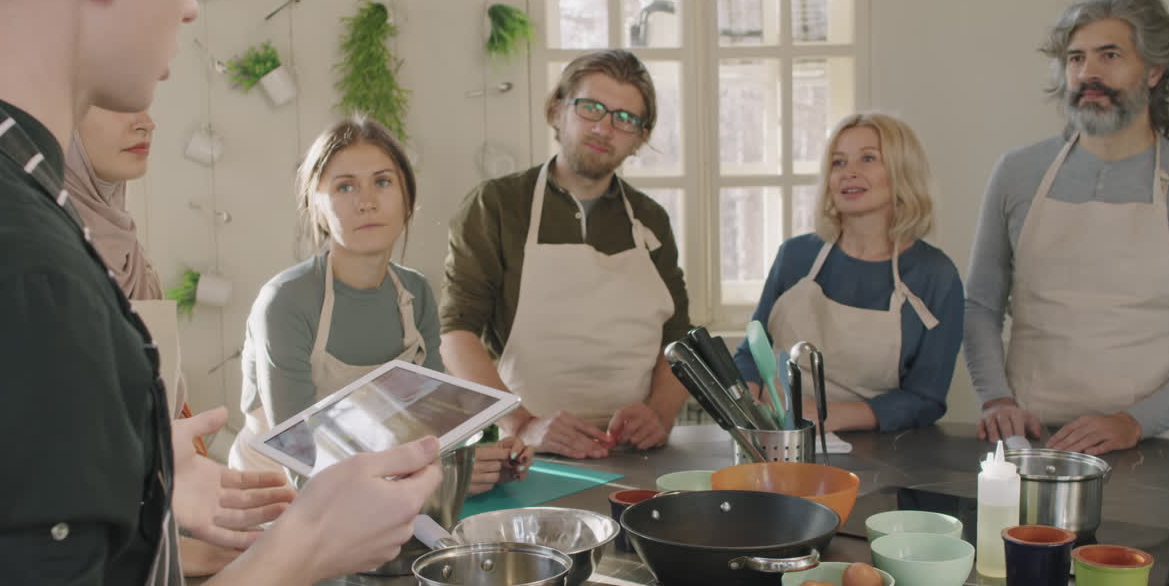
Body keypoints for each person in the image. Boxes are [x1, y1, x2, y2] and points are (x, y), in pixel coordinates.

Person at [0, 0, 440, 586]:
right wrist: (302, 546)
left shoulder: (6, 202)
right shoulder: (24, 264)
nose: (188, 4)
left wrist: (144, 491)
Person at [965, 0, 1169, 455]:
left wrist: (1133, 422)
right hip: (1025, 443)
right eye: (1075, 58)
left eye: (1109, 56)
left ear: (1154, 70)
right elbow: (979, 306)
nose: (1087, 73)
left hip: (1148, 450)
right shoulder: (1017, 173)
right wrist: (996, 398)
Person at [228, 116, 527, 494]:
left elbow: (435, 425)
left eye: (382, 182)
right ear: (316, 206)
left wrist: (483, 455)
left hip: (385, 489)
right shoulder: (286, 302)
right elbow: (302, 461)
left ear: (407, 201)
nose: (367, 202)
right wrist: (443, 478)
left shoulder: (414, 293)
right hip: (276, 497)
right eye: (345, 186)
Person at [441, 50, 691, 459]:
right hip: (524, 454)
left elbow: (678, 340)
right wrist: (522, 423)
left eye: (625, 119)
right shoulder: (498, 206)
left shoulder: (650, 219)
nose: (604, 128)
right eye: (591, 107)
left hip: (632, 452)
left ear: (639, 139)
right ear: (557, 110)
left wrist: (659, 414)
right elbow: (456, 335)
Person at [68, 105, 245, 575]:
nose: (146, 122)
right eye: (117, 105)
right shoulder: (42, 259)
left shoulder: (129, 251)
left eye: (146, 105)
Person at [733, 113, 964, 432]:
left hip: (879, 452)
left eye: (868, 158)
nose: (848, 173)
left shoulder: (935, 276)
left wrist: (825, 416)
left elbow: (926, 398)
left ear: (902, 173)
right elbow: (751, 353)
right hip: (778, 439)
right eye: (838, 163)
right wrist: (750, 403)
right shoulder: (796, 256)